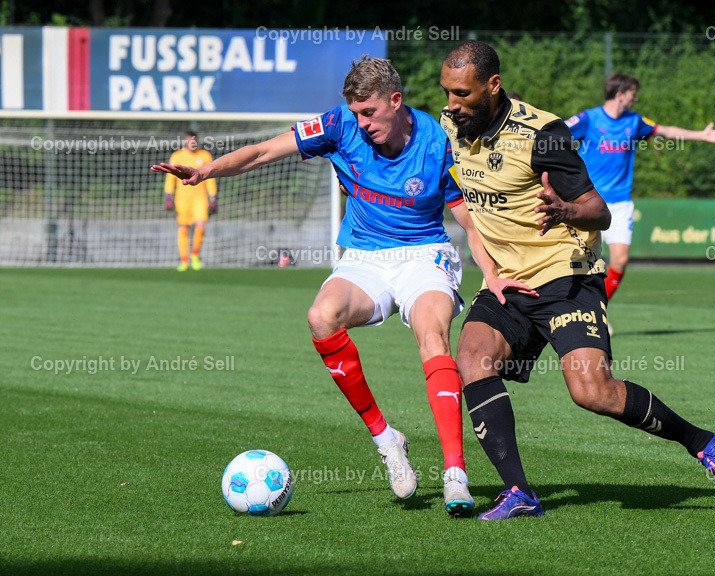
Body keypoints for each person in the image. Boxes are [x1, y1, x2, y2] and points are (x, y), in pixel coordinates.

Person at [152, 56, 484, 517]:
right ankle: (387, 440)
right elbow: (265, 151)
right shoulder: (338, 124)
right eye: (355, 114)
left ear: (395, 100)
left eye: (369, 113)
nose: (361, 123)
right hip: (365, 257)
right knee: (320, 316)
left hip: (424, 253)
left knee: (432, 335)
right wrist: (206, 172)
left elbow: (465, 214)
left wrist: (493, 268)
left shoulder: (437, 139)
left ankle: (455, 475)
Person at [439, 40, 715, 521]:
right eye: (447, 93)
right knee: (472, 359)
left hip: (565, 273)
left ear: (493, 86)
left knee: (592, 392)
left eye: (462, 94)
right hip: (507, 284)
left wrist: (565, 209)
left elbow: (599, 211)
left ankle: (704, 443)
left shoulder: (545, 133)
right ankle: (519, 493)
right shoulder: (449, 126)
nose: (453, 104)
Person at [566, 75, 715, 318]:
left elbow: (665, 131)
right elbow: (556, 134)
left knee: (619, 261)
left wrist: (701, 135)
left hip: (620, 203)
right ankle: (570, 311)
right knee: (578, 262)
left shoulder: (634, 122)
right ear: (620, 94)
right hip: (587, 200)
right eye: (633, 92)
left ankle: (596, 310)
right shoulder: (589, 118)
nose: (636, 97)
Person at [164, 131, 217, 271]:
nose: (191, 143)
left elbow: (210, 177)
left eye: (194, 140)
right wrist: (168, 196)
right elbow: (170, 178)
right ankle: (184, 260)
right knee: (183, 227)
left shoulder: (204, 155)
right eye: (189, 140)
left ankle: (195, 255)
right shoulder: (177, 156)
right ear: (185, 141)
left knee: (201, 224)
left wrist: (213, 197)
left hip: (200, 198)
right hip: (182, 199)